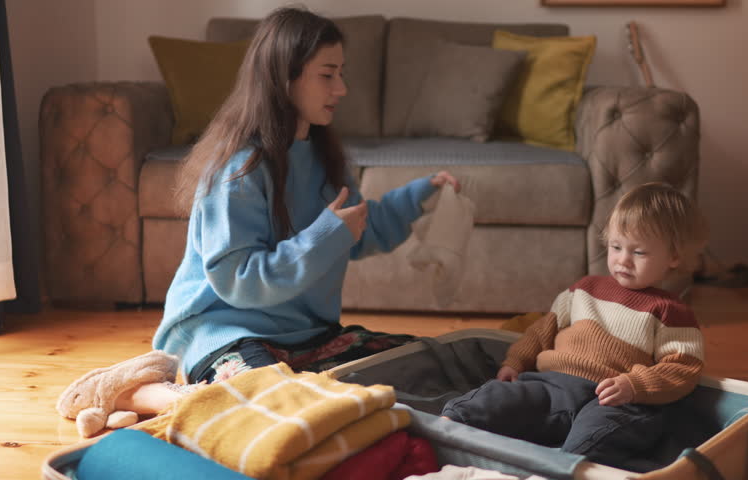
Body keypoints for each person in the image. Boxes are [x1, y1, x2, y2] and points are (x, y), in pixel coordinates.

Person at [57, 6, 459, 436]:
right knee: (274, 407)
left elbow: (355, 231)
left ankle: (166, 396)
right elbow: (240, 281)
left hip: (306, 334)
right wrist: (327, 235)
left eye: (341, 73)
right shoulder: (238, 169)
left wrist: (420, 196)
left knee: (424, 362)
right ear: (285, 77)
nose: (341, 88)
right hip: (226, 330)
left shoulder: (325, 158)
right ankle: (138, 393)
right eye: (327, 74)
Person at [441, 182, 707, 470]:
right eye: (616, 247)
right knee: (496, 399)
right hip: (553, 384)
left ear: (674, 257)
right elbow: (543, 330)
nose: (623, 260)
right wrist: (516, 362)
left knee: (592, 442)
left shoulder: (672, 311)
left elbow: (682, 367)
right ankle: (445, 429)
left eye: (639, 253)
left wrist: (634, 385)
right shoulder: (585, 288)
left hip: (611, 398)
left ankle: (568, 466)